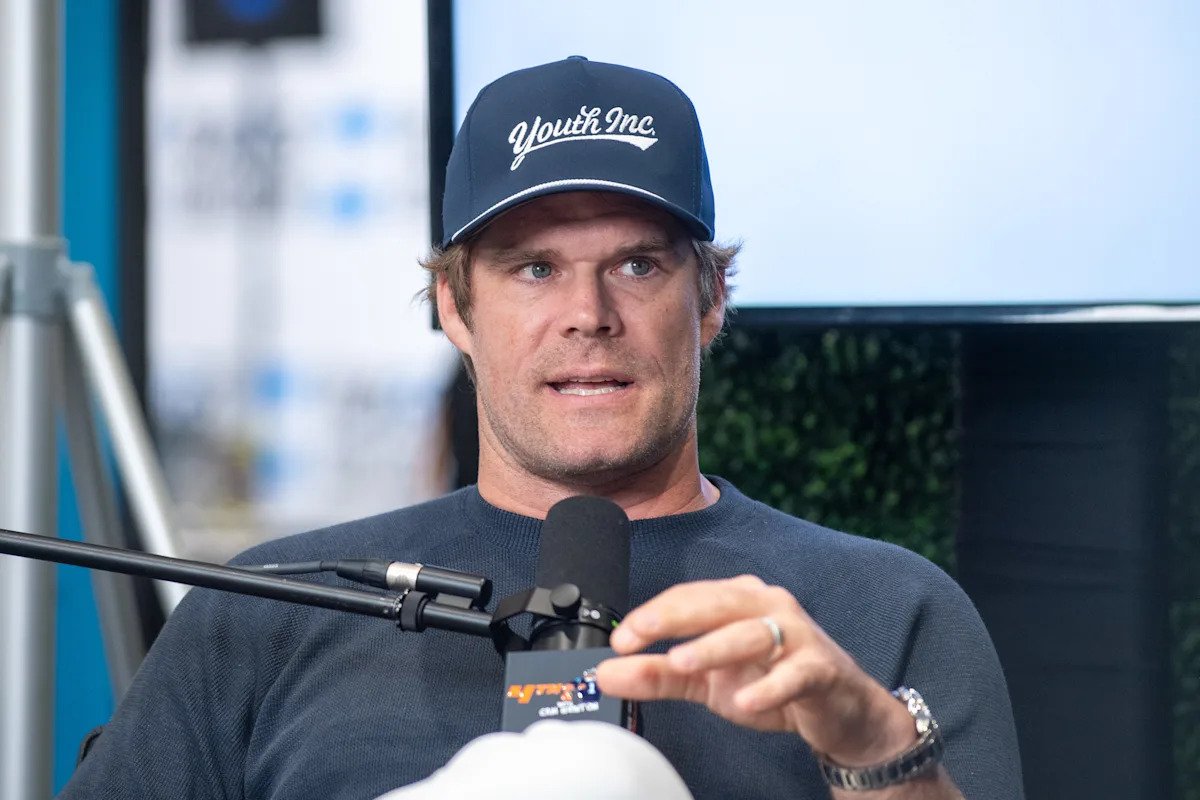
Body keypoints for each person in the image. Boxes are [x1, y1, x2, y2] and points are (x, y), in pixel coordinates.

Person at [60, 57, 1022, 799]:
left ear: (710, 299)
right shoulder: (273, 608)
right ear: (454, 305)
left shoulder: (882, 611)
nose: (588, 315)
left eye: (638, 266)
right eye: (534, 269)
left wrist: (873, 747)